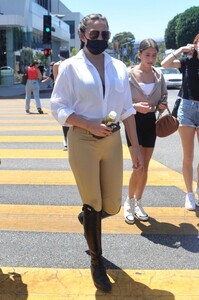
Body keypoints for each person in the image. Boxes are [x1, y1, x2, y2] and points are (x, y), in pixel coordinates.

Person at [51, 13, 143, 292]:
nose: (100, 39)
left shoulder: (118, 67)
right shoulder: (69, 67)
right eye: (94, 34)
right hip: (83, 139)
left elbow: (127, 110)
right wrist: (86, 123)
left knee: (112, 205)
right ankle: (96, 260)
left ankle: (87, 219)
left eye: (105, 34)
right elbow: (58, 106)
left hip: (111, 140)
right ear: (82, 35)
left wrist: (135, 146)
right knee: (93, 200)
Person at [123, 39, 168, 225]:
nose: (150, 59)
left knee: (146, 167)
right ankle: (129, 202)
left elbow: (164, 95)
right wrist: (134, 106)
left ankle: (139, 201)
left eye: (154, 55)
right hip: (132, 121)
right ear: (139, 54)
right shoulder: (128, 74)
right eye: (147, 55)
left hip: (150, 122)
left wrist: (161, 104)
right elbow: (119, 100)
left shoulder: (159, 75)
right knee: (138, 166)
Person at [161, 33, 199, 211]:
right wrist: (181, 50)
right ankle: (189, 194)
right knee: (188, 156)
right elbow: (164, 64)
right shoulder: (186, 61)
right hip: (186, 110)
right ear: (195, 44)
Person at [53, 48, 70, 150]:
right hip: (72, 92)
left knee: (65, 117)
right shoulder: (73, 63)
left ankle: (65, 140)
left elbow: (56, 81)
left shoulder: (56, 65)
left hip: (61, 93)